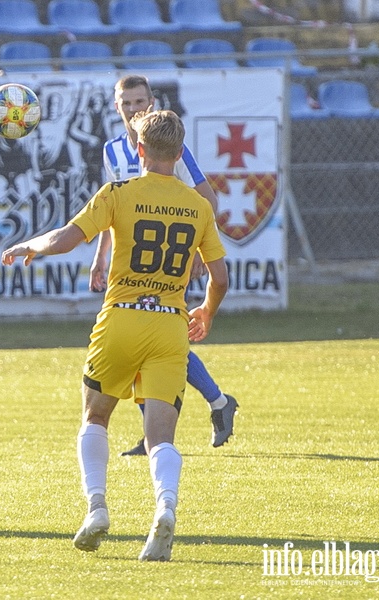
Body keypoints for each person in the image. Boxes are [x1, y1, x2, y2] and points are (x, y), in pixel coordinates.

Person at [2, 110, 228, 560]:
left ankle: (97, 509)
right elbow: (220, 277)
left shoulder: (119, 193)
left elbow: (67, 238)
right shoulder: (199, 205)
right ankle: (165, 508)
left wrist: (29, 245)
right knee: (160, 436)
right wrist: (205, 309)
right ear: (180, 154)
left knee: (96, 417)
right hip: (169, 323)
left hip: (121, 318)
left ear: (139, 150)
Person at [93, 75, 238, 455]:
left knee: (160, 336)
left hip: (169, 262)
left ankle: (205, 408)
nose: (134, 109)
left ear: (152, 103)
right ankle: (218, 404)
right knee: (152, 336)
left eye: (141, 102)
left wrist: (192, 253)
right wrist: (99, 259)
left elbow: (207, 201)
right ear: (117, 107)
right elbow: (113, 211)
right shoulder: (112, 151)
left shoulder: (171, 148)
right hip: (127, 265)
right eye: (127, 103)